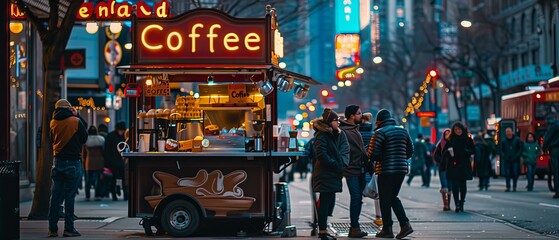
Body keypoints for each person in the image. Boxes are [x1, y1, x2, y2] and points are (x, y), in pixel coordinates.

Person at [367, 109, 414, 239]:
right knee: (393, 197)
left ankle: (387, 229)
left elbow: (372, 154)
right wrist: (400, 157)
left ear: (379, 121)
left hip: (386, 170)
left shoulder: (380, 132)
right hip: (401, 169)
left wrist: (383, 157)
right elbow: (410, 150)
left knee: (385, 199)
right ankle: (405, 224)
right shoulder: (403, 131)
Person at [48, 99, 88, 237]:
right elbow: (84, 138)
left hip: (58, 161)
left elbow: (52, 139)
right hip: (73, 162)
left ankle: (52, 229)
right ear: (69, 108)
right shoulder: (75, 121)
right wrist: (77, 115)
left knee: (55, 196)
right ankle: (69, 228)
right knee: (70, 196)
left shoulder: (53, 122)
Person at [312, 108, 349, 240]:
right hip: (325, 173)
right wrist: (334, 164)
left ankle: (323, 230)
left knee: (327, 202)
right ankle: (322, 232)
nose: (338, 122)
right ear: (329, 122)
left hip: (330, 173)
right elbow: (321, 154)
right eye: (335, 120)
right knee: (325, 202)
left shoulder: (331, 134)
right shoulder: (322, 135)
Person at [339, 105, 368, 238]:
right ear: (351, 115)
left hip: (360, 168)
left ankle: (355, 227)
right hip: (351, 169)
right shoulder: (345, 130)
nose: (360, 116)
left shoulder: (355, 129)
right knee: (356, 197)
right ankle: (354, 227)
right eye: (358, 113)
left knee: (359, 198)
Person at [444, 122, 475, 213]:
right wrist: (449, 154)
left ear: (463, 129)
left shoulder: (468, 139)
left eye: (459, 129)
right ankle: (457, 203)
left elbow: (473, 150)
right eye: (456, 130)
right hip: (453, 164)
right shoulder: (450, 140)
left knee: (462, 184)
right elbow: (445, 151)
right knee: (455, 185)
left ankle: (461, 203)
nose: (458, 131)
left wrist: (466, 151)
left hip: (464, 163)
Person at [81, 126, 105, 201]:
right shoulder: (101, 140)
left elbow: (83, 154)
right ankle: (97, 195)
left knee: (88, 180)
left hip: (89, 161)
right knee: (98, 179)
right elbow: (103, 152)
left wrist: (83, 164)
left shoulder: (86, 141)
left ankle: (87, 195)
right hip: (99, 161)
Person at [104, 121, 126, 201]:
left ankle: (123, 194)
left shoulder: (111, 136)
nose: (121, 132)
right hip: (115, 162)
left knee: (121, 179)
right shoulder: (123, 136)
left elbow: (106, 150)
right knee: (115, 179)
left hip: (117, 161)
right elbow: (107, 150)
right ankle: (115, 194)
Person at [433, 128, 452, 211]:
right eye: (446, 133)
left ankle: (449, 204)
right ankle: (445, 204)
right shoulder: (440, 144)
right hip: (443, 168)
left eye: (449, 133)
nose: (447, 135)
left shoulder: (453, 143)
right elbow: (435, 155)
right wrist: (441, 160)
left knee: (450, 186)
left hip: (452, 168)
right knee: (444, 186)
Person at [500, 127, 523, 192]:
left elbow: (520, 149)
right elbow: (501, 150)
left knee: (515, 173)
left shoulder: (517, 140)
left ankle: (514, 186)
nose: (508, 133)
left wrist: (517, 156)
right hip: (507, 159)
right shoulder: (503, 141)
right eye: (507, 132)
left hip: (515, 159)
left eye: (509, 132)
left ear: (512, 132)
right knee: (507, 174)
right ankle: (508, 186)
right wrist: (504, 156)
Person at [543, 112, 559, 198]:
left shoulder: (553, 127)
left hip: (555, 150)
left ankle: (557, 191)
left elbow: (547, 139)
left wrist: (544, 149)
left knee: (556, 171)